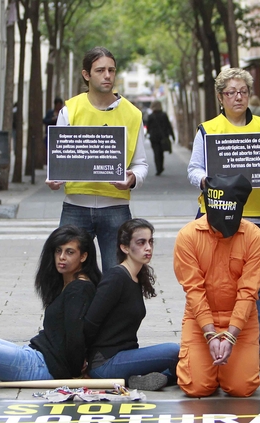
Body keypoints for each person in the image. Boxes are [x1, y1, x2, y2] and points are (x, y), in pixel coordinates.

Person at [187, 67, 260, 371]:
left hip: (256, 217)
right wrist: (207, 180)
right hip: (215, 216)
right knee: (214, 283)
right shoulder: (208, 129)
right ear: (220, 97)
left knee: (256, 286)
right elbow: (193, 170)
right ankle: (213, 340)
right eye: (231, 92)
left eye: (242, 91)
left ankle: (255, 348)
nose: (237, 97)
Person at [0, 226, 102, 380]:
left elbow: (76, 337)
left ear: (84, 256)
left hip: (44, 366)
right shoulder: (66, 283)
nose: (62, 257)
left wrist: (75, 373)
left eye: (70, 252)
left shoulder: (79, 289)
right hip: (34, 352)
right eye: (58, 251)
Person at [46, 47, 149, 272]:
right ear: (86, 75)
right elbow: (59, 159)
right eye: (100, 70)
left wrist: (132, 179)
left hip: (116, 208)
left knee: (117, 276)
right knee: (67, 274)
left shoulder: (132, 114)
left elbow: (141, 164)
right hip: (75, 207)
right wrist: (55, 178)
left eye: (111, 70)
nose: (107, 75)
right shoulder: (69, 110)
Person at [174, 174, 260, 397]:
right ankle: (198, 363)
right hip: (200, 320)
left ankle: (217, 366)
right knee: (195, 387)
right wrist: (209, 333)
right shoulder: (188, 236)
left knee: (242, 388)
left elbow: (249, 292)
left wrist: (232, 335)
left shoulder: (255, 237)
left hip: (241, 322)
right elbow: (194, 291)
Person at [83, 219, 180, 390]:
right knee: (174, 352)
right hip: (104, 363)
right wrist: (80, 360)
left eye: (150, 242)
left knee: (189, 356)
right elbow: (90, 322)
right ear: (124, 247)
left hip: (125, 356)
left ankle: (139, 379)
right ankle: (142, 379)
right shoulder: (116, 277)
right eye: (141, 242)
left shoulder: (136, 276)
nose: (148, 247)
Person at [145, 100, 175, 176]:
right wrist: (172, 135)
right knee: (161, 153)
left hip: (154, 137)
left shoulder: (151, 116)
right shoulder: (164, 115)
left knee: (156, 153)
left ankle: (158, 168)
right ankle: (161, 166)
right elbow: (168, 126)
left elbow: (148, 127)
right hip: (163, 137)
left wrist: (147, 134)